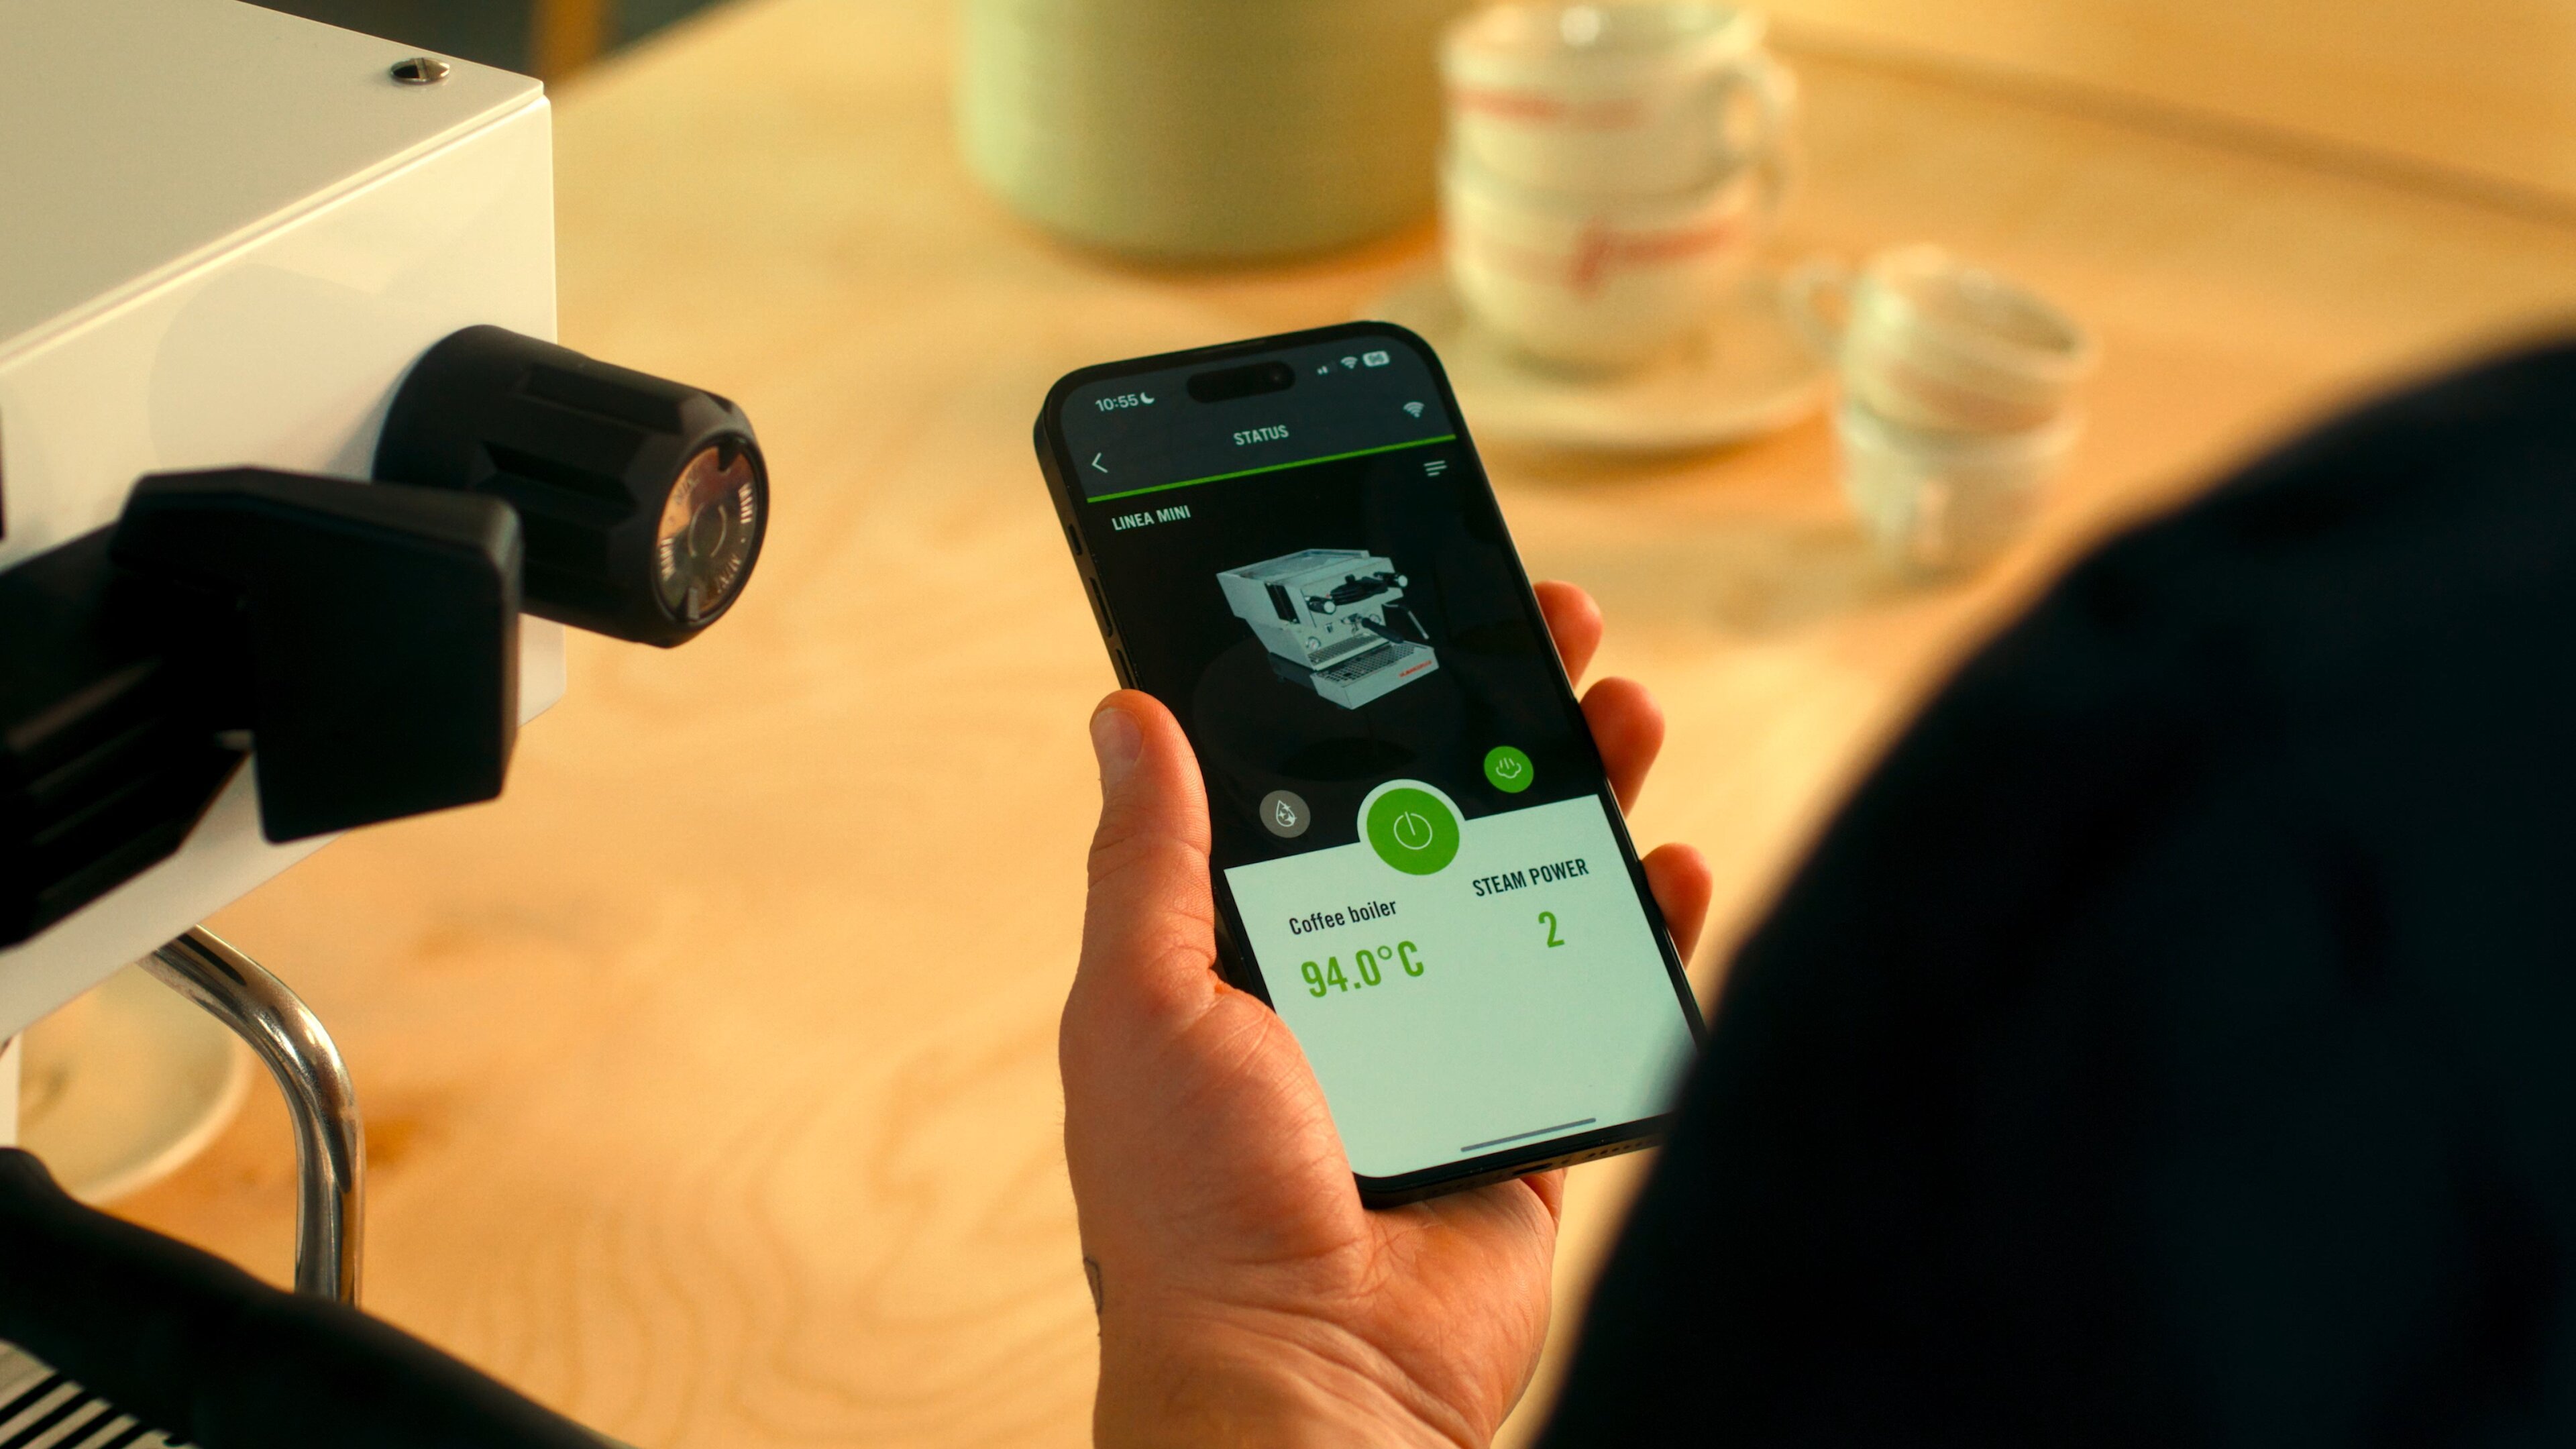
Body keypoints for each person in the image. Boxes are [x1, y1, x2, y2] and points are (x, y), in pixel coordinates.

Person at [1060, 340, 2576, 1446]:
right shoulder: (2386, 656)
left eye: (1363, 589)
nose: (1363, 618)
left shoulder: (2252, 727)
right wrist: (1302, 1356)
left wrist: (1262, 1359)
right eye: (1319, 606)